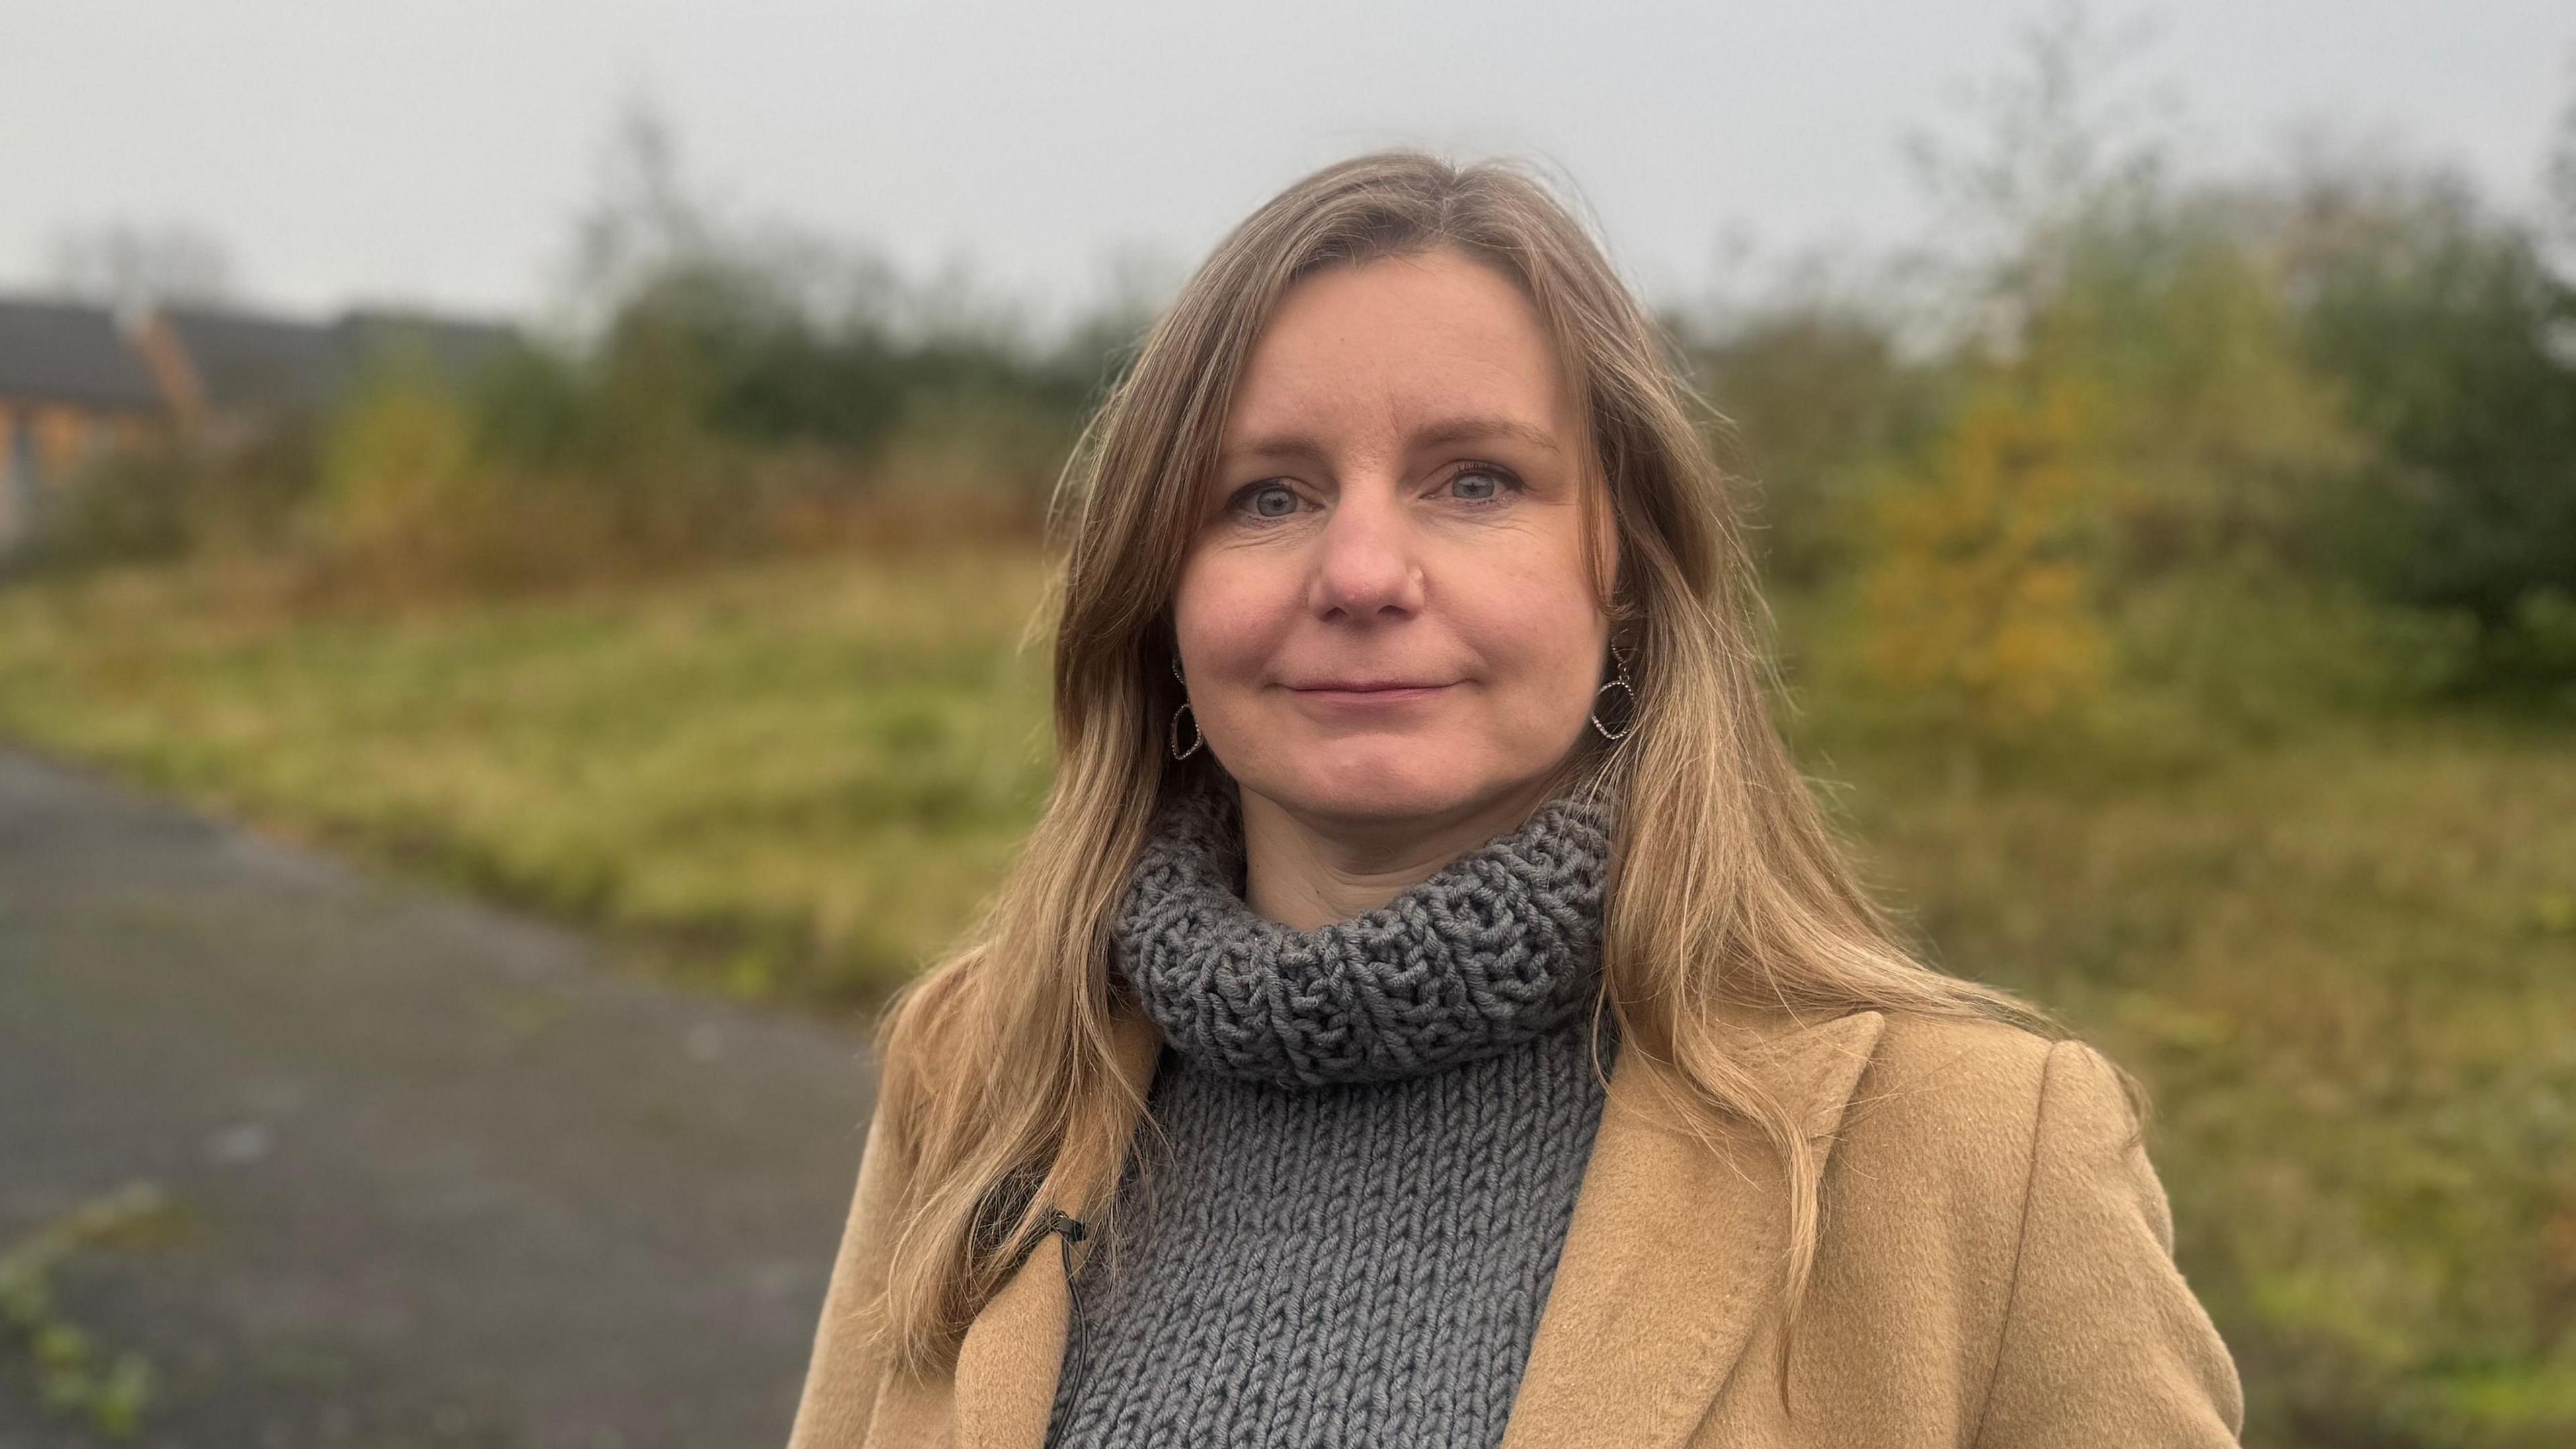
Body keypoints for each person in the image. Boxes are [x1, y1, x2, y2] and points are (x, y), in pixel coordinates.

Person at [784, 150, 2243, 1449]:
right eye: (1267, 496)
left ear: (1627, 579)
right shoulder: (985, 1068)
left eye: (1475, 483)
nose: (1361, 574)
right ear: (1158, 598)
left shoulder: (1979, 1150)